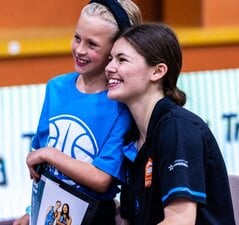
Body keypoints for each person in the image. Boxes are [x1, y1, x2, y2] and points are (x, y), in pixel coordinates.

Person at [12, 1, 142, 225]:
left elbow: (101, 179)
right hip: (49, 210)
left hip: (95, 217)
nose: (80, 50)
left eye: (92, 44)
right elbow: (42, 168)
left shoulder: (120, 103)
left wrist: (49, 154)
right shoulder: (56, 88)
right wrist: (31, 211)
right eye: (77, 38)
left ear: (114, 50)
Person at [105, 23, 236, 224]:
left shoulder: (178, 128)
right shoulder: (133, 136)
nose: (109, 68)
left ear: (157, 72)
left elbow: (180, 221)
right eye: (110, 59)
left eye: (122, 60)